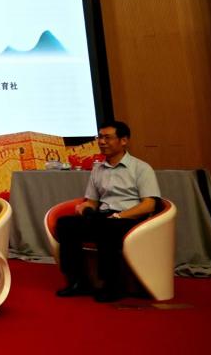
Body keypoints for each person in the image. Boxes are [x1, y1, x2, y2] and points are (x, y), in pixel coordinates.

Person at [53, 120, 161, 302]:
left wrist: (119, 216)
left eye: (108, 138)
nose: (102, 142)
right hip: (105, 217)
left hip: (130, 219)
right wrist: (86, 208)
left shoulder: (141, 168)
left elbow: (149, 205)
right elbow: (92, 201)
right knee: (66, 224)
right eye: (100, 137)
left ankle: (112, 284)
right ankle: (78, 281)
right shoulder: (98, 169)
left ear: (123, 140)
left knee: (107, 228)